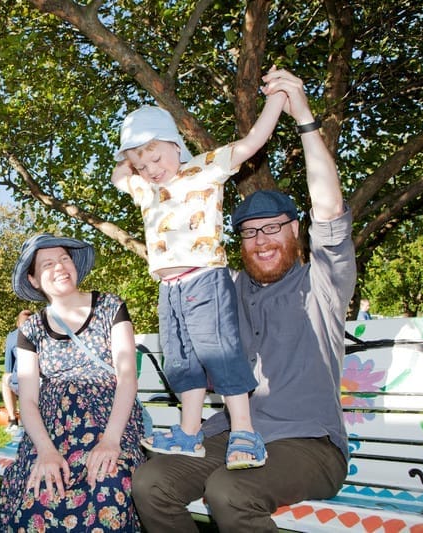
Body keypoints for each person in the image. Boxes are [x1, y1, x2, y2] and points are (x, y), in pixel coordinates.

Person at [132, 69, 356, 532]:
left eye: (273, 227)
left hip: (308, 444)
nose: (262, 240)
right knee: (151, 483)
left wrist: (304, 119)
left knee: (229, 491)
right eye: (250, 233)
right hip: (233, 435)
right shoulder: (228, 289)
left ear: (295, 231)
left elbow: (330, 209)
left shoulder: (322, 284)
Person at [111, 71, 288, 467]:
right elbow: (118, 174)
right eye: (142, 164)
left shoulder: (204, 169)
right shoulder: (145, 188)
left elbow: (252, 142)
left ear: (176, 145)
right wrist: (131, 157)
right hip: (169, 288)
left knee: (219, 353)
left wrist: (277, 98)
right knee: (180, 361)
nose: (151, 168)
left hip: (204, 279)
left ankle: (244, 431)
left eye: (157, 157)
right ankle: (189, 433)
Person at [0, 234, 145, 531]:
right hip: (51, 432)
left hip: (108, 423)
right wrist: (45, 451)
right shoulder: (31, 329)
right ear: (34, 279)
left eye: (64, 258)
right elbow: (28, 400)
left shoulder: (109, 306)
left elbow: (127, 376)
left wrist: (111, 440)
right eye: (47, 264)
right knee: (37, 497)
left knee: (108, 487)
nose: (59, 267)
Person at [1, 309, 33, 436]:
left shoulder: (13, 336)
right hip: (41, 379)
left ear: (18, 323)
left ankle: (13, 419)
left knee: (5, 378)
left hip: (24, 379)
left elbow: (8, 366)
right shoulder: (43, 334)